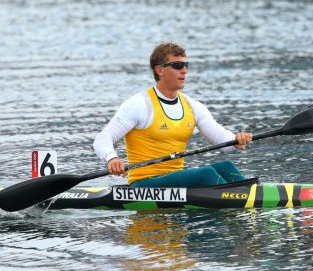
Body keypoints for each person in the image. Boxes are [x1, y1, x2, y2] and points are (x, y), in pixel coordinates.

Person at [93, 42, 252, 187]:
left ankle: (252, 202)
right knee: (207, 173)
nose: (184, 70)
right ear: (160, 70)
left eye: (185, 65)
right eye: (177, 65)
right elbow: (103, 139)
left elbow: (221, 139)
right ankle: (243, 207)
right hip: (144, 184)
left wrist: (236, 140)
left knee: (226, 167)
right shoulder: (140, 104)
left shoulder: (192, 106)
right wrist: (112, 158)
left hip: (176, 179)